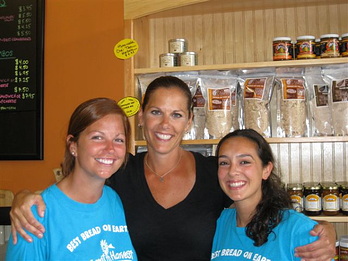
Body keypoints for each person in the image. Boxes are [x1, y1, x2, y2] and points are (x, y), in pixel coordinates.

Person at [10, 76, 336, 260]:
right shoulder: (118, 174)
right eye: (155, 112)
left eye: (177, 114)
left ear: (189, 122)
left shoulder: (216, 174)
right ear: (141, 118)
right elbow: (73, 198)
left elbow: (261, 209)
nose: (165, 124)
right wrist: (23, 197)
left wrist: (322, 227)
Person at [6, 98, 137, 260]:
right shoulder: (34, 216)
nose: (110, 148)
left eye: (118, 140)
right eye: (97, 137)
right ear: (73, 145)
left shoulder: (114, 200)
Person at [211, 129, 325, 260]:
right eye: (224, 163)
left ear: (266, 170)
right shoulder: (219, 222)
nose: (232, 171)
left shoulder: (300, 230)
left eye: (244, 162)